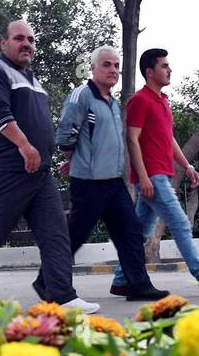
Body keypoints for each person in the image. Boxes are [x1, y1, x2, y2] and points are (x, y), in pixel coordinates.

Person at [0, 19, 99, 313]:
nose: (27, 44)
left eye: (31, 39)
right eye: (19, 38)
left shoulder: (33, 80)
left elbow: (39, 124)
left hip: (39, 170)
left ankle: (62, 296)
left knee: (56, 233)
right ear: (3, 43)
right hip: (8, 167)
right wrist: (24, 144)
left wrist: (55, 155)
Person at [55, 46, 168, 302]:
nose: (113, 70)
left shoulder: (112, 103)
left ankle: (138, 285)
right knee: (75, 236)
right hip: (89, 183)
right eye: (107, 65)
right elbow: (65, 134)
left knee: (130, 233)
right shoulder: (82, 95)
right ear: (93, 68)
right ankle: (47, 281)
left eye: (116, 66)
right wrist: (75, 160)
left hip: (113, 182)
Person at [113, 48, 199, 294]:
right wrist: (143, 177)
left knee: (140, 233)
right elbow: (132, 139)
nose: (169, 70)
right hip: (153, 178)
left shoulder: (163, 101)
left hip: (160, 174)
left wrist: (186, 165)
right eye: (164, 66)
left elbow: (168, 139)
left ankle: (120, 280)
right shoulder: (140, 100)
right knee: (180, 224)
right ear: (150, 72)